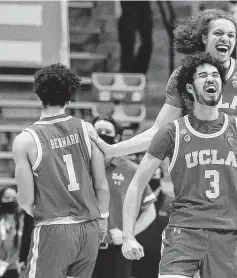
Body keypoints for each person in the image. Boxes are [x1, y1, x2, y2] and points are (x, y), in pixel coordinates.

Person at [90, 9, 237, 160]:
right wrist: (112, 149)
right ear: (204, 38)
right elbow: (156, 132)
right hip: (192, 171)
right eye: (219, 33)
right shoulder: (183, 75)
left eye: (231, 35)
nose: (226, 39)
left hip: (234, 176)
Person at [121, 53, 237, 278]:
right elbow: (136, 185)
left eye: (215, 75)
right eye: (203, 75)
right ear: (190, 89)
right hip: (183, 233)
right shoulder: (171, 132)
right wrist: (128, 236)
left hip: (227, 236)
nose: (211, 79)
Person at [12, 64, 110, 278]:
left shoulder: (25, 140)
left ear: (38, 94)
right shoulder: (87, 129)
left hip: (54, 227)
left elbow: (25, 199)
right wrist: (102, 219)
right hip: (89, 229)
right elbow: (101, 185)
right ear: (70, 97)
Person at [91, 116, 156, 278]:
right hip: (82, 250)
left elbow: (150, 211)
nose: (102, 135)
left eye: (107, 132)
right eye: (98, 132)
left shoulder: (131, 170)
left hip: (115, 252)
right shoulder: (79, 167)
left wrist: (127, 235)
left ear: (118, 138)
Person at [114, 0, 153, 73]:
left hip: (144, 4)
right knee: (128, 44)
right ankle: (127, 74)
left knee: (147, 43)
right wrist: (118, 7)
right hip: (127, 4)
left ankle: (138, 73)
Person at [0, 186, 24, 278]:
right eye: (7, 198)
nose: (11, 201)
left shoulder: (21, 222)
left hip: (12, 267)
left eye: (14, 198)